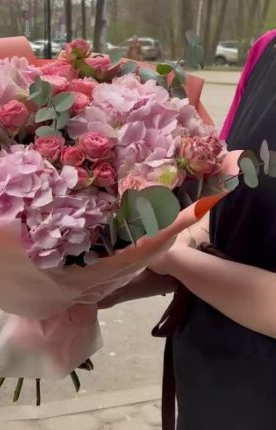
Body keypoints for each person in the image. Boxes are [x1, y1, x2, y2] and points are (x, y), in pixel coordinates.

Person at [100, 29, 276, 430]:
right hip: (207, 373)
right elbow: (222, 213)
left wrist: (170, 259)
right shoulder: (267, 49)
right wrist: (109, 281)